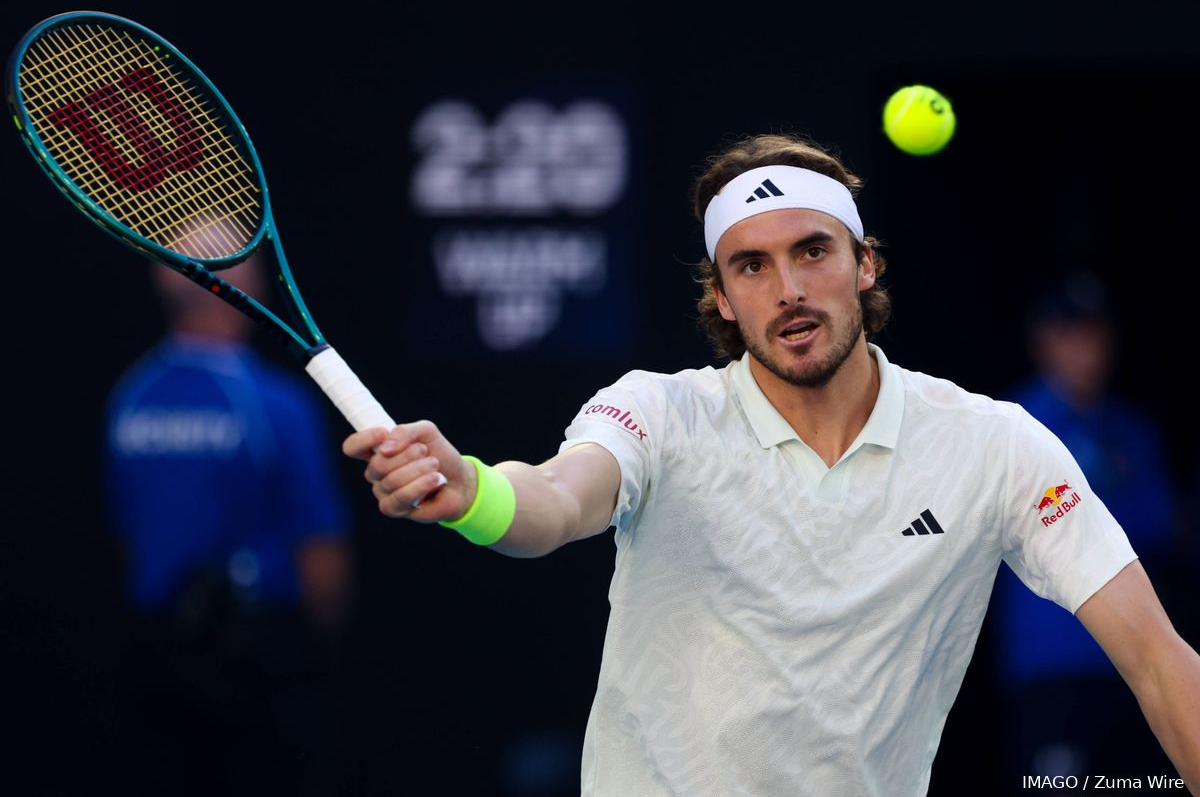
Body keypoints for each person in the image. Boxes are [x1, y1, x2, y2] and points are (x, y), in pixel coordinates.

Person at [342, 134, 1200, 796]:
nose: (787, 287)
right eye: (751, 265)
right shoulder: (657, 412)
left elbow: (1161, 663)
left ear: (865, 266)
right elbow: (558, 501)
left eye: (812, 251)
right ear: (721, 297)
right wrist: (477, 493)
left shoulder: (997, 445)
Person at [105, 235, 351, 796]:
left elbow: (128, 539)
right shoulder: (274, 404)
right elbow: (321, 551)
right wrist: (312, 653)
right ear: (241, 286)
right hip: (259, 666)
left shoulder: (130, 399)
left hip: (158, 660)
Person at [992, 269, 1181, 782]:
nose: (1086, 347)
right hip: (1050, 662)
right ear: (1041, 340)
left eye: (1096, 332)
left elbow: (1162, 527)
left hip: (1134, 661)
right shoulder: (1010, 424)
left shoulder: (1131, 429)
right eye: (1070, 332)